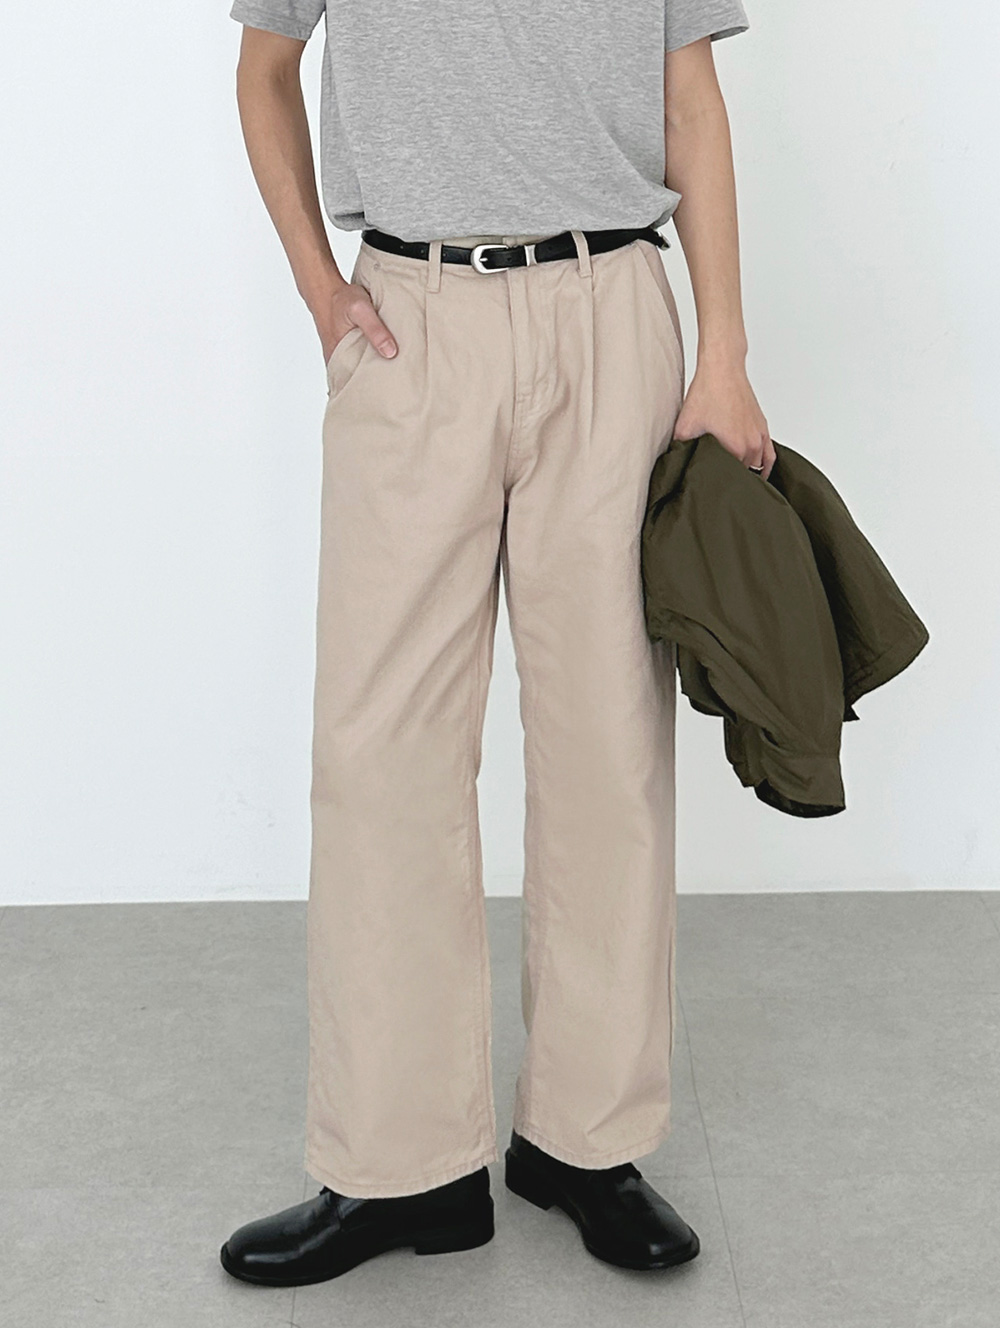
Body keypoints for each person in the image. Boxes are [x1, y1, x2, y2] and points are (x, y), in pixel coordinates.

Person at [219, 0, 770, 1287]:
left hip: (611, 312)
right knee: (380, 757)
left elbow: (690, 100)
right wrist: (317, 288)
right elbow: (262, 69)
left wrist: (726, 351)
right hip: (409, 318)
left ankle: (586, 1141)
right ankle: (398, 1163)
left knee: (606, 748)